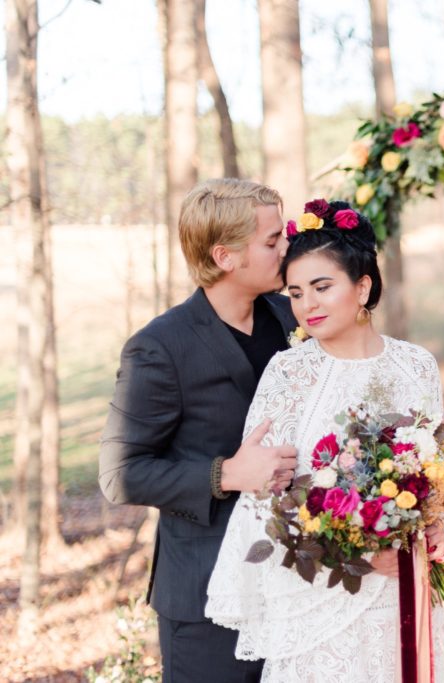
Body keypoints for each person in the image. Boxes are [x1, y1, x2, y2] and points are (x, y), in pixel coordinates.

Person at [205, 199, 444, 682]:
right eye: (296, 292)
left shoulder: (416, 366)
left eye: (322, 287)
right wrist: (360, 557)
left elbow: (433, 475)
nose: (307, 305)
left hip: (405, 597)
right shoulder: (289, 373)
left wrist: (436, 528)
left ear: (362, 286)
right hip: (325, 605)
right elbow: (266, 501)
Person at [99, 178, 300, 682]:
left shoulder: (293, 317)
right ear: (225, 257)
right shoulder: (158, 348)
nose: (287, 247)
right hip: (205, 600)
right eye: (272, 240)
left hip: (297, 585)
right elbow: (121, 474)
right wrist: (226, 474)